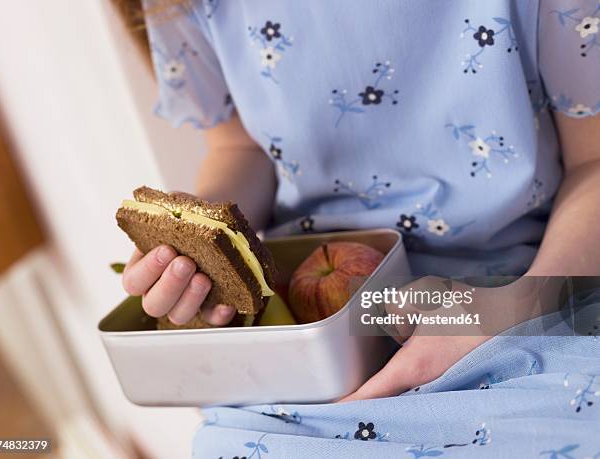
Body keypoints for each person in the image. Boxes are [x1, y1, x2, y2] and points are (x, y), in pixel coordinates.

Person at [121, 0, 600, 456]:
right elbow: (239, 148)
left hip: (532, 294)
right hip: (301, 340)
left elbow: (593, 159)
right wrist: (204, 252)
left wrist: (515, 308)